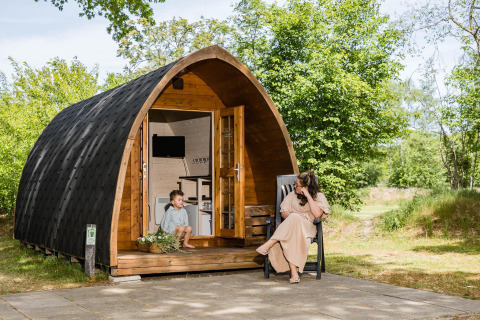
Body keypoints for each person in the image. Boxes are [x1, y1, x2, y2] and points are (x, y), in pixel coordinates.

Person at [256, 170, 330, 283]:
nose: (294, 186)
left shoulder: (318, 196)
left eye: (297, 185)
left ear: (305, 187)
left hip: (308, 226)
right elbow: (284, 213)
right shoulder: (292, 195)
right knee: (293, 226)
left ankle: (270, 243)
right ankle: (294, 273)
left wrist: (308, 196)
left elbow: (317, 214)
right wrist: (295, 215)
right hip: (291, 228)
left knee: (294, 219)